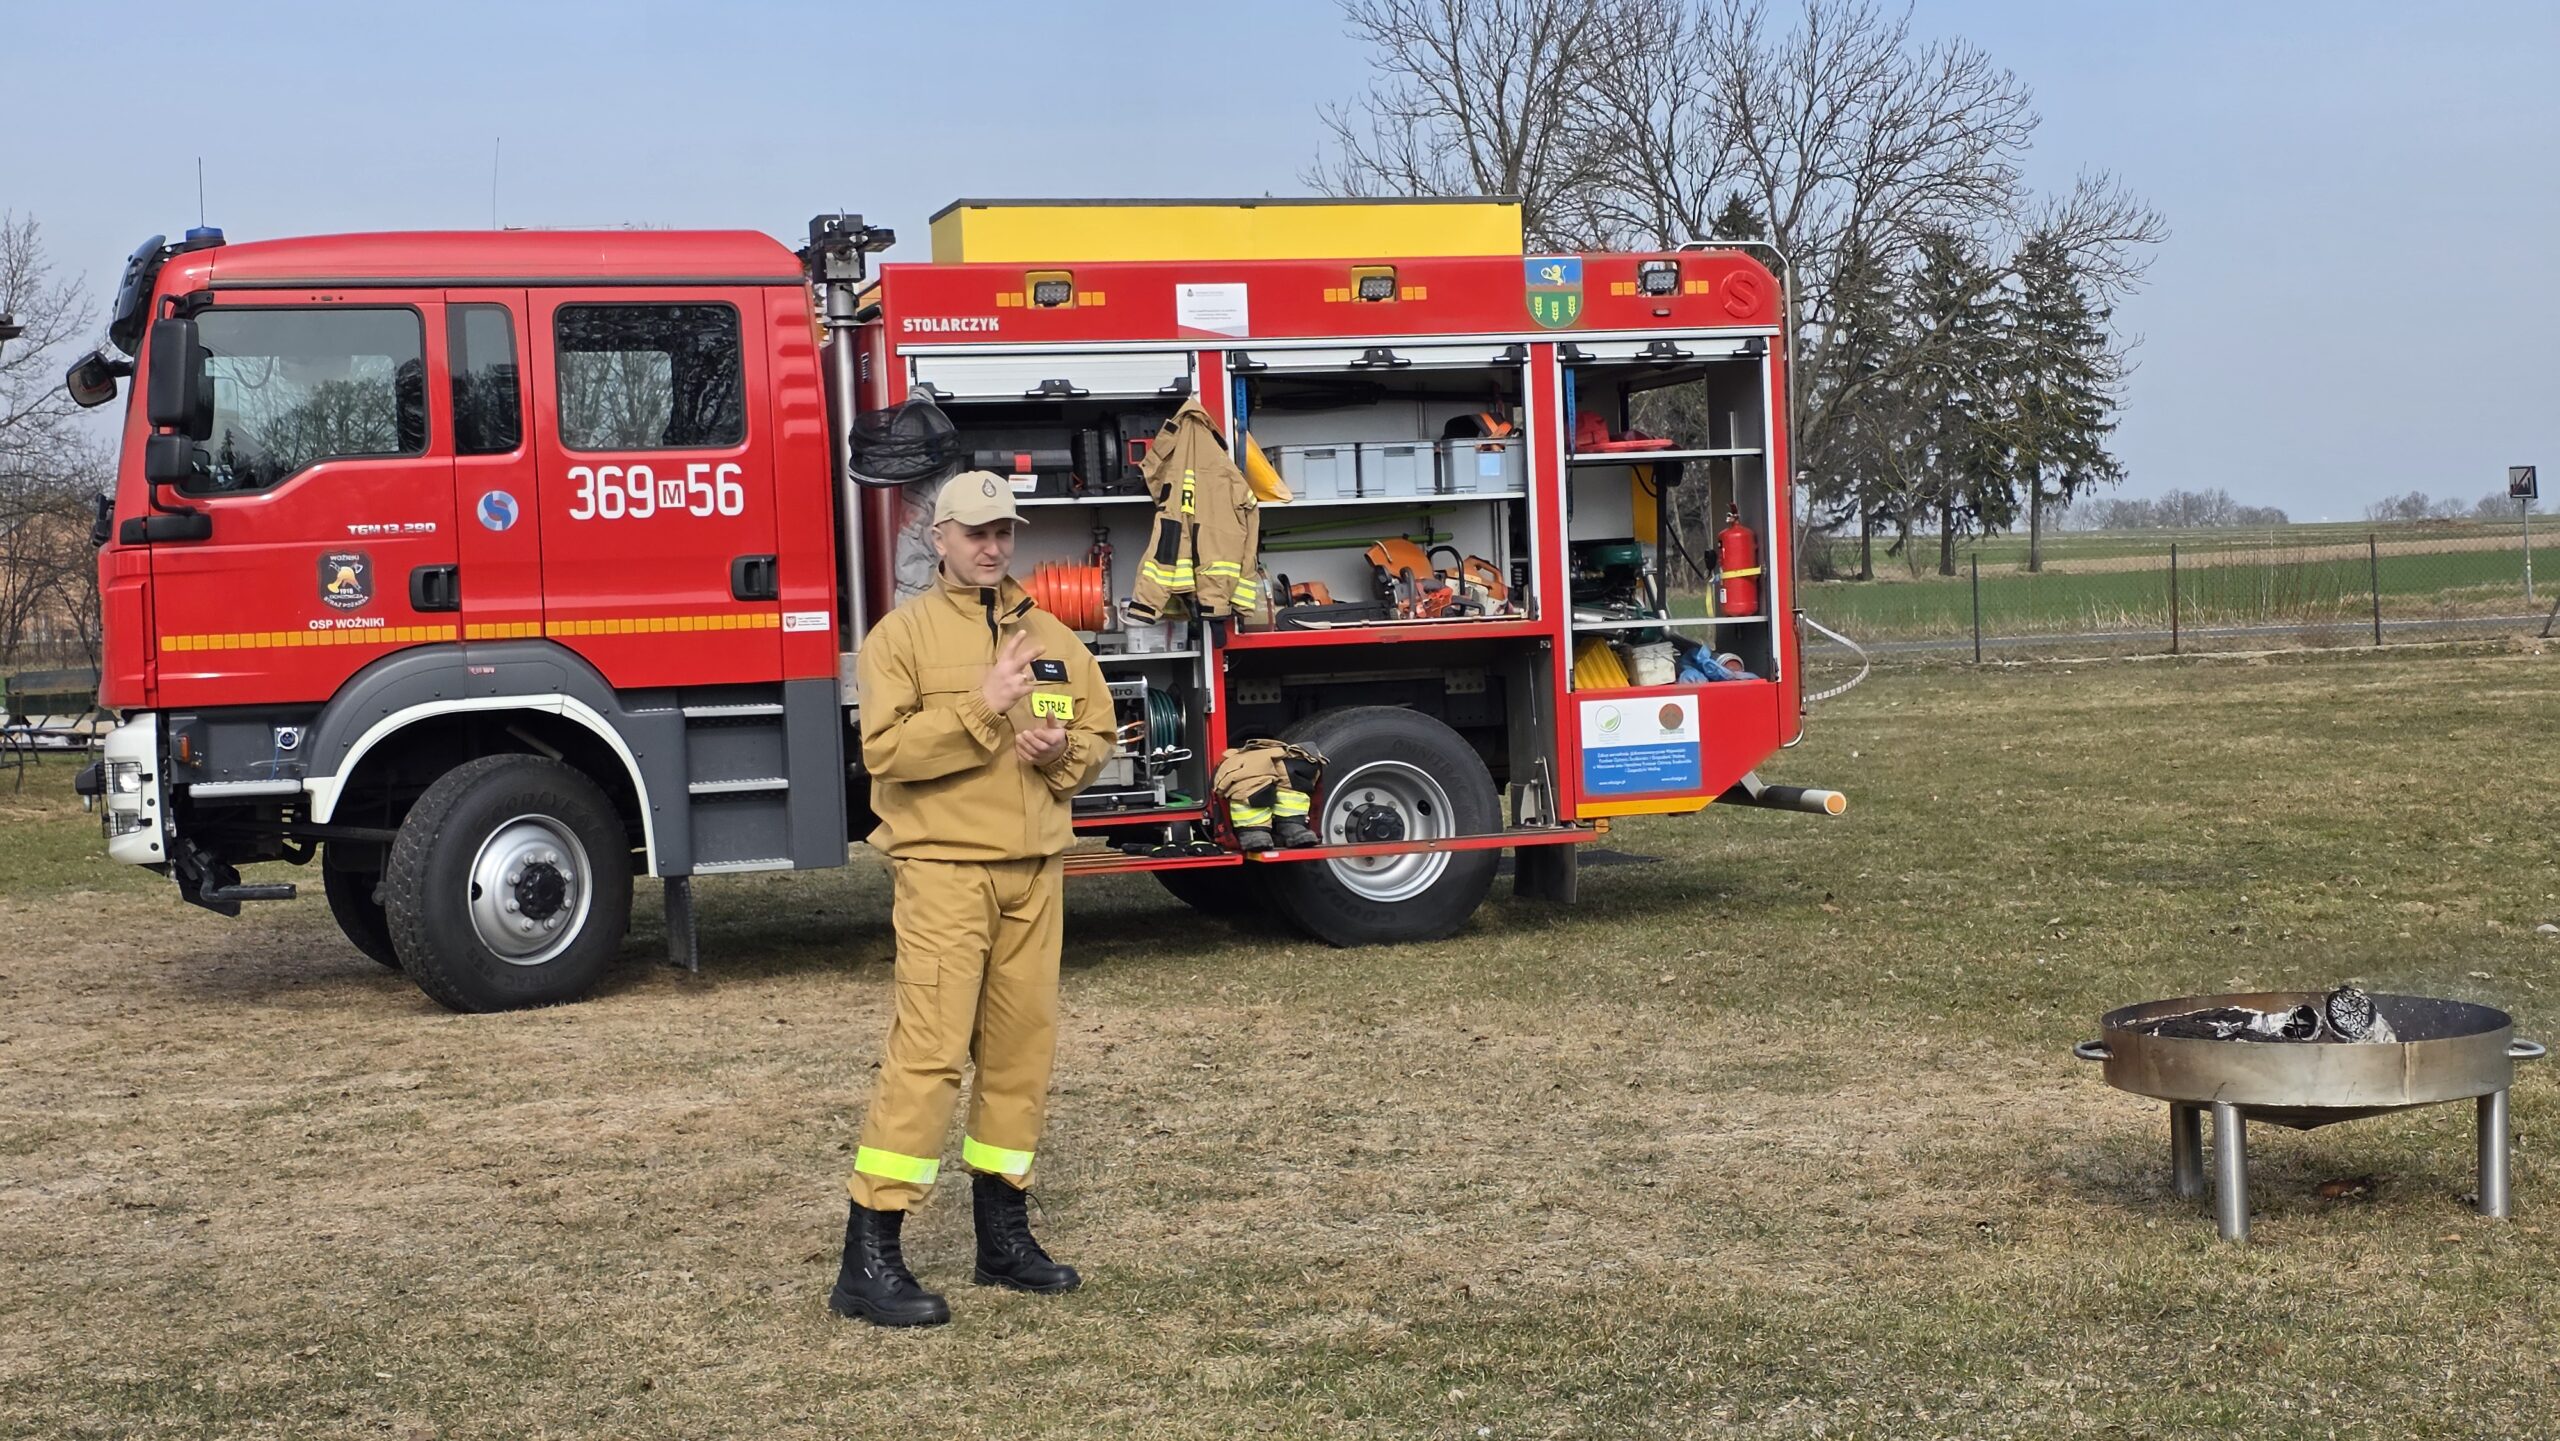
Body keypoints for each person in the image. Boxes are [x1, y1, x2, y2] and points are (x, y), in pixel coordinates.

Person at [829, 471, 1113, 1328]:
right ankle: (868, 1257)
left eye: (1003, 532)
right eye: (976, 532)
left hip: (1035, 871)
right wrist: (983, 708)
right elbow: (885, 753)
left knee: (1021, 1055)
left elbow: (1096, 731)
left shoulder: (1050, 634)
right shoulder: (901, 636)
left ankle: (1003, 1237)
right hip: (945, 871)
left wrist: (1061, 753)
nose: (992, 547)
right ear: (940, 538)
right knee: (929, 1054)